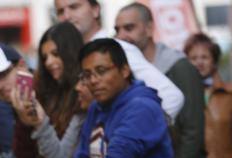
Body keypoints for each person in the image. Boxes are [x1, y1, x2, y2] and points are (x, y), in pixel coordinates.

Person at [115, 3, 207, 158]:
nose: (122, 35)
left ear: (149, 28)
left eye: (129, 27)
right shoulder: (128, 71)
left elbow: (193, 131)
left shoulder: (180, 67)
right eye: (117, 29)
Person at [54, 0, 184, 121]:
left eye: (74, 7)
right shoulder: (74, 55)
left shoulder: (117, 48)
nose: (66, 16)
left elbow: (171, 97)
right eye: (60, 12)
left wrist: (140, 134)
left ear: (95, 10)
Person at [10, 22, 87, 158]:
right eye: (45, 57)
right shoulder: (48, 93)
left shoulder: (84, 95)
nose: (49, 62)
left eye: (56, 54)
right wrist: (25, 121)